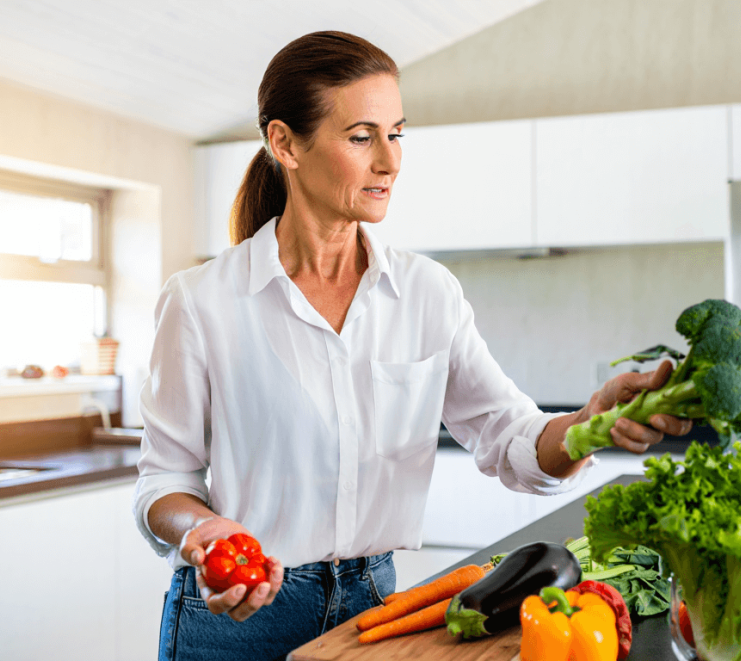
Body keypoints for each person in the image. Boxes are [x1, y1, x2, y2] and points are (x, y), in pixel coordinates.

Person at [134, 30, 692, 661]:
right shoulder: (201, 300)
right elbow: (163, 482)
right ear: (284, 143)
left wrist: (593, 423)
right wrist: (204, 532)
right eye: (361, 136)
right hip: (235, 622)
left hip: (382, 608)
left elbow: (510, 439)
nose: (390, 162)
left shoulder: (427, 292)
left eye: (395, 134)